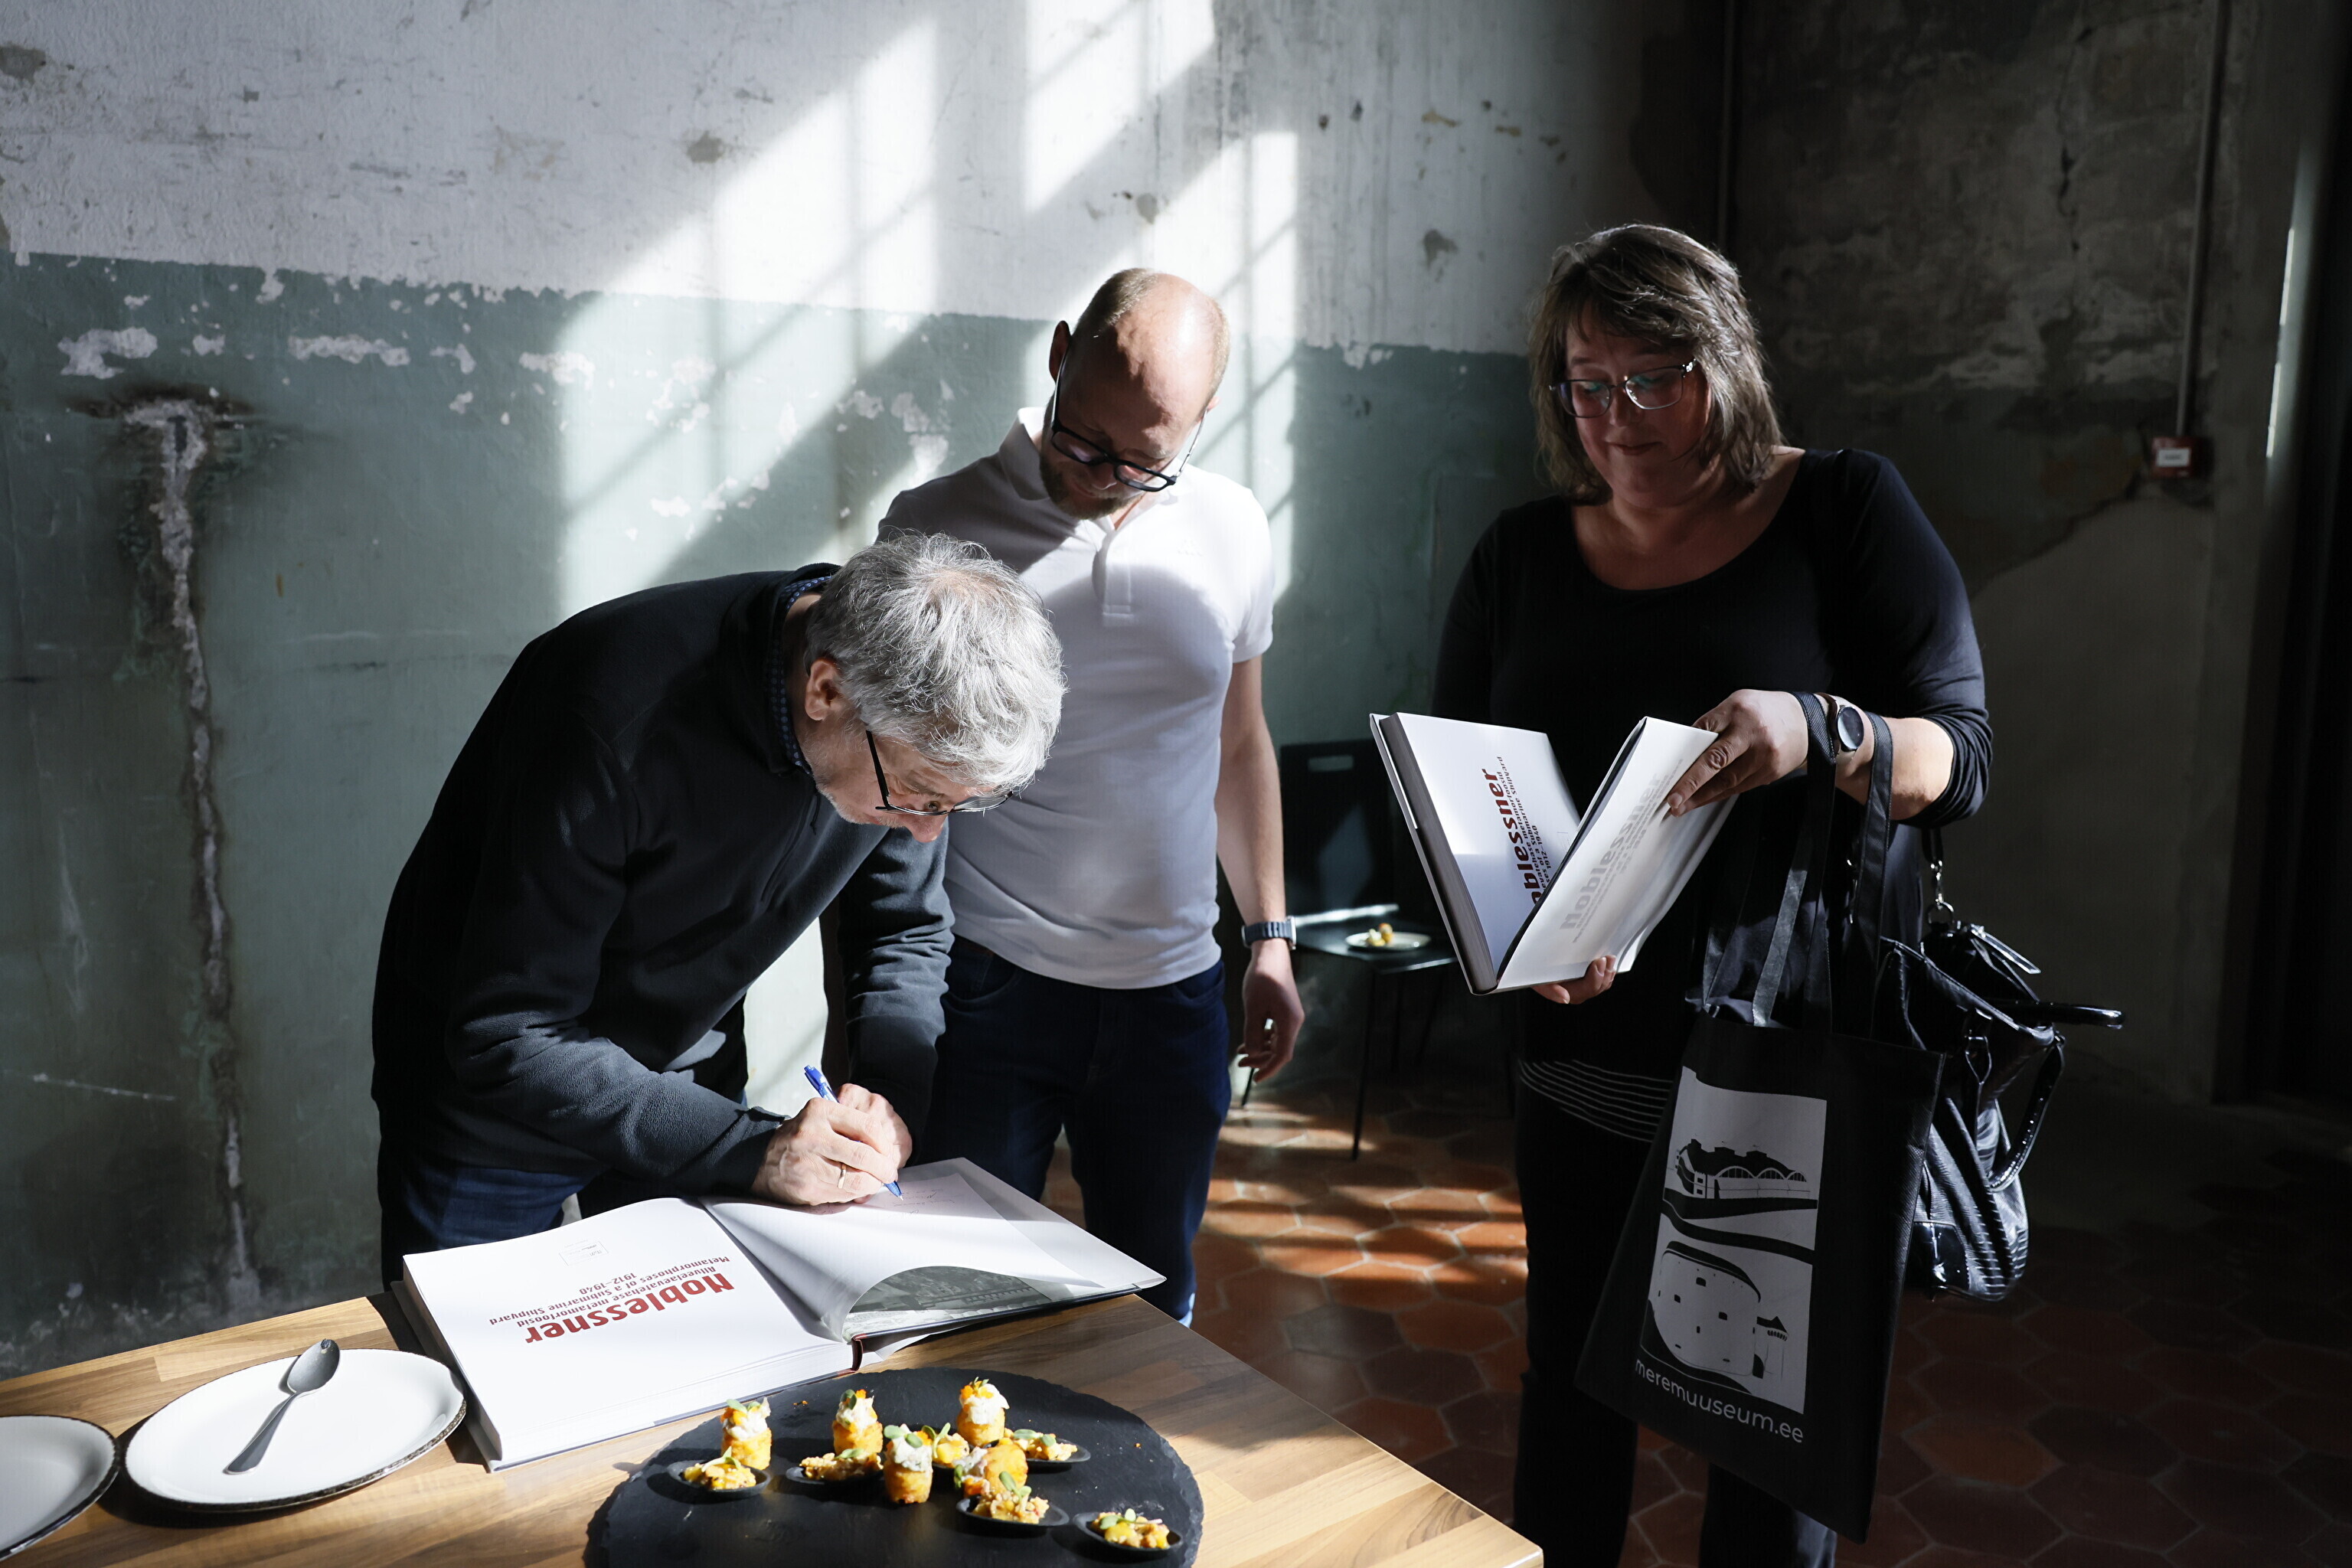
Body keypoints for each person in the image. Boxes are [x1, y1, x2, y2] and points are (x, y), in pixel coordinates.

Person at [1433, 225, 1992, 1567]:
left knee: (1765, 1442)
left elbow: (1960, 759)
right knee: (1570, 1403)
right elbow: (1456, 784)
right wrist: (1511, 933)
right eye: (1585, 382)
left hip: (1778, 1063)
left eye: (1652, 377)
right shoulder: (1521, 553)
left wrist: (1819, 727)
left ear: (1723, 365)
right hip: (1579, 1055)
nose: (1615, 415)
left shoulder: (1843, 509)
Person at [370, 533, 1064, 1282]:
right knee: (478, 1349)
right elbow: (509, 1032)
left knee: (693, 1348)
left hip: (686, 1084)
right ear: (825, 691)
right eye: (921, 796)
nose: (929, 830)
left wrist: (886, 1103)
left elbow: (903, 929)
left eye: (957, 804)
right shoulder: (607, 712)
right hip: (490, 1111)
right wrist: (749, 1149)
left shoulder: (899, 718)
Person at [887, 269, 1305, 1323]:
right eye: (1082, 440)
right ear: (1059, 353)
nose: (1099, 476)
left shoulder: (1233, 525)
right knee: (959, 1297)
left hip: (1174, 994)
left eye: (1141, 460)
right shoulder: (935, 524)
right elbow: (889, 785)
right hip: (990, 982)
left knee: (1152, 1304)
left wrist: (1269, 936)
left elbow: (1239, 742)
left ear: (1202, 419)